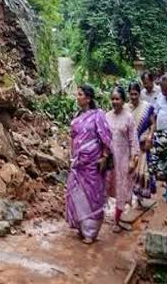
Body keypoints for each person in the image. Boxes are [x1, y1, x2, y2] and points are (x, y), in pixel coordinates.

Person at [65, 85, 113, 244]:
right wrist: (71, 155)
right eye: (77, 94)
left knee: (92, 196)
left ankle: (91, 232)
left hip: (93, 163)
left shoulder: (98, 115)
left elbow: (106, 137)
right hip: (78, 163)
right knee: (77, 192)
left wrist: (105, 156)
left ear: (88, 98)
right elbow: (72, 137)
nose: (77, 97)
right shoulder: (77, 115)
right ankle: (81, 227)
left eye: (80, 94)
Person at [104, 86, 140, 231]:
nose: (114, 101)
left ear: (123, 100)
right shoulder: (106, 116)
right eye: (112, 99)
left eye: (117, 99)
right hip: (108, 159)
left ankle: (117, 220)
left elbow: (133, 140)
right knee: (105, 186)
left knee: (121, 189)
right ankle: (100, 215)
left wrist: (133, 159)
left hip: (123, 159)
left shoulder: (128, 117)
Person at [128, 82, 156, 202]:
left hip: (143, 145)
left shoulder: (146, 107)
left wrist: (150, 136)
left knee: (142, 170)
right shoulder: (125, 108)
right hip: (129, 147)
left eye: (136, 94)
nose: (133, 96)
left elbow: (152, 123)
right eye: (131, 94)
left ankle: (139, 197)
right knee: (130, 171)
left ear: (139, 94)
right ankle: (130, 198)